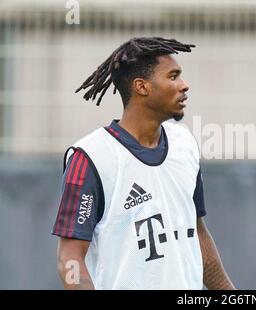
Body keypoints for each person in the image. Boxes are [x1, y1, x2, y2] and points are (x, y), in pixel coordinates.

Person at [52, 37, 235, 290]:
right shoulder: (91, 157)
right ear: (142, 87)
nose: (184, 85)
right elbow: (69, 258)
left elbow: (196, 232)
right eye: (173, 76)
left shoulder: (185, 144)